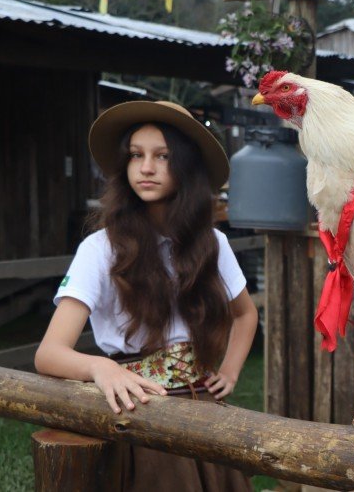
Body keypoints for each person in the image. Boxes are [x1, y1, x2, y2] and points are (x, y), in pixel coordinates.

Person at [35, 101, 258, 491]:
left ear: (186, 166)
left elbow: (245, 314)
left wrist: (231, 371)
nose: (146, 167)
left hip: (207, 411)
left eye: (163, 156)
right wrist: (101, 369)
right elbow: (49, 353)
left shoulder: (213, 244)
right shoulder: (100, 248)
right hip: (140, 412)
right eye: (136, 155)